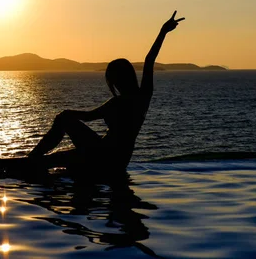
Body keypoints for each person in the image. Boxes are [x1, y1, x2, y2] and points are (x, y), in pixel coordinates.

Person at [20, 11, 184, 175]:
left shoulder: (121, 102)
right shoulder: (143, 98)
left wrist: (163, 31)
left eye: (113, 79)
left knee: (61, 127)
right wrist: (163, 31)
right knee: (59, 160)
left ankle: (32, 159)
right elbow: (149, 61)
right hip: (119, 161)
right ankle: (38, 161)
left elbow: (88, 116)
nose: (113, 84)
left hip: (102, 155)